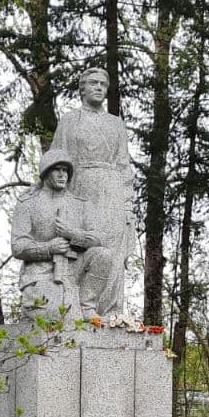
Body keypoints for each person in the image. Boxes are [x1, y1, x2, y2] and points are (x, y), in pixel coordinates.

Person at [51, 67, 134, 317]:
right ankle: (79, 306)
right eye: (93, 83)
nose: (99, 88)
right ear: (82, 89)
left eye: (103, 84)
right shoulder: (69, 121)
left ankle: (111, 311)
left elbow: (124, 165)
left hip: (113, 190)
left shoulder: (115, 123)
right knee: (83, 245)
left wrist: (128, 204)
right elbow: (56, 159)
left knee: (113, 251)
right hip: (81, 186)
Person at [10, 149, 91, 318]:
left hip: (75, 270)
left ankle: (89, 307)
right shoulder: (28, 203)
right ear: (46, 172)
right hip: (39, 274)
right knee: (55, 315)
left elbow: (98, 238)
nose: (62, 175)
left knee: (102, 255)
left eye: (65, 170)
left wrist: (73, 234)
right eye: (57, 169)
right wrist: (48, 248)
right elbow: (18, 247)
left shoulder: (79, 204)